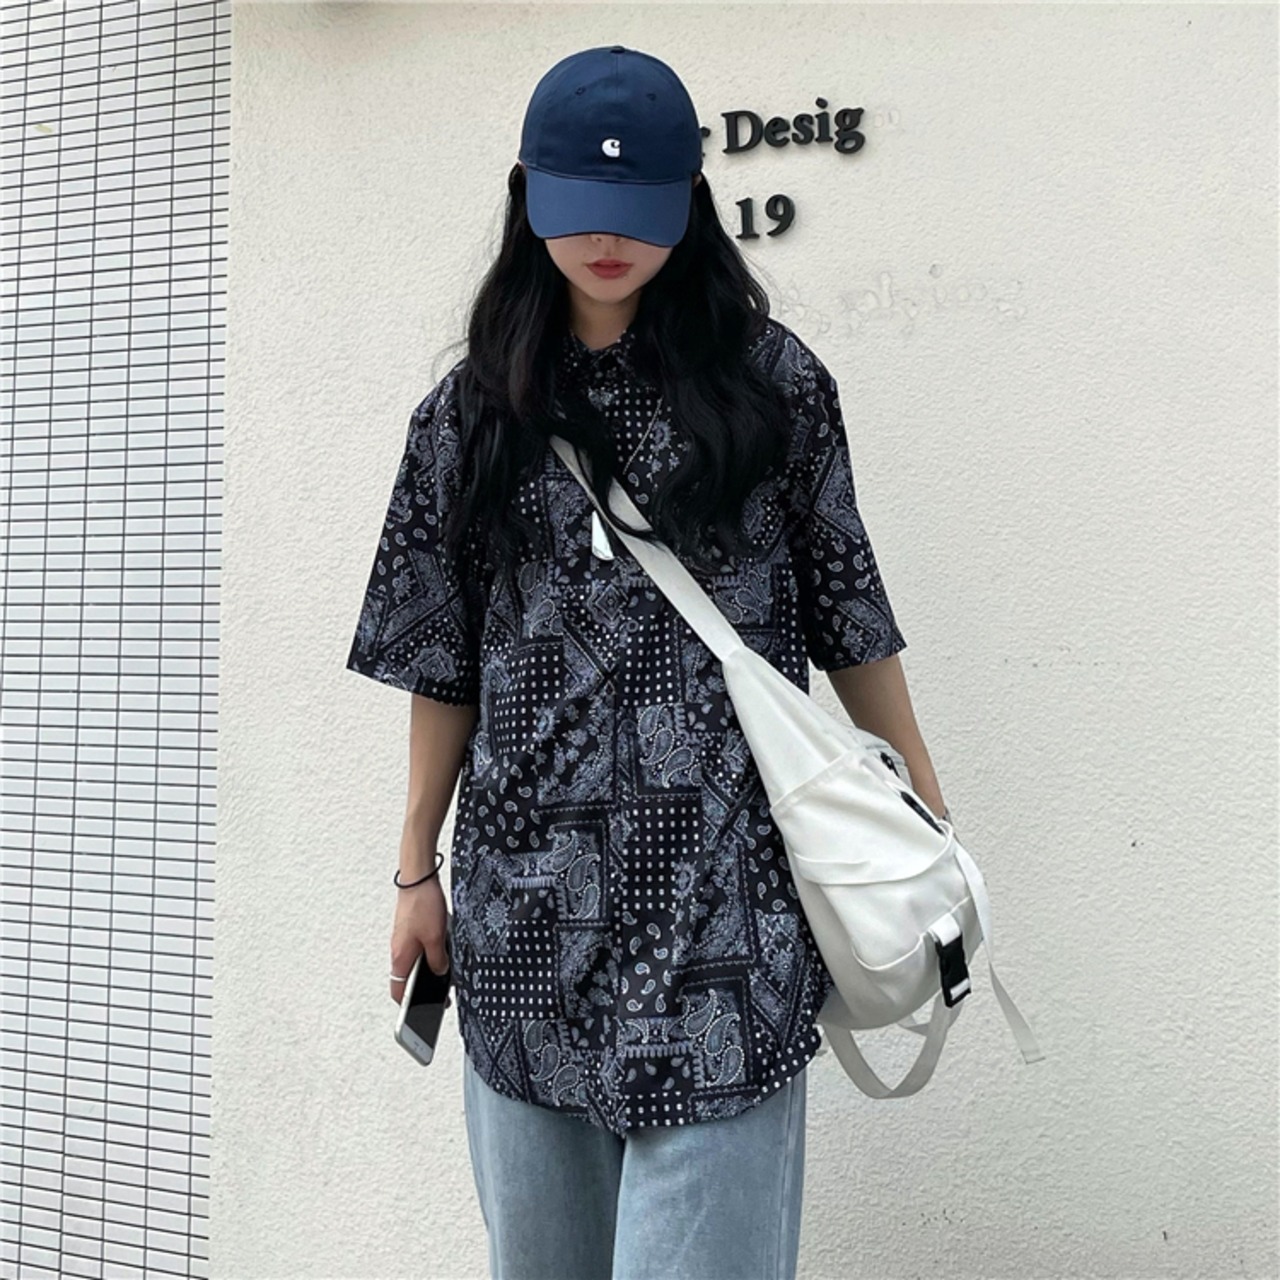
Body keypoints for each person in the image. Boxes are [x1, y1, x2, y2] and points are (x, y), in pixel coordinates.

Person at [346, 44, 950, 1280]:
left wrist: (925, 815)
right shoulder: (467, 416)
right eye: (579, 207)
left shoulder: (775, 390)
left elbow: (848, 615)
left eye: (638, 208)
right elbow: (439, 660)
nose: (606, 240)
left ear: (689, 198)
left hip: (723, 935)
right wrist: (414, 866)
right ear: (526, 196)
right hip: (524, 935)